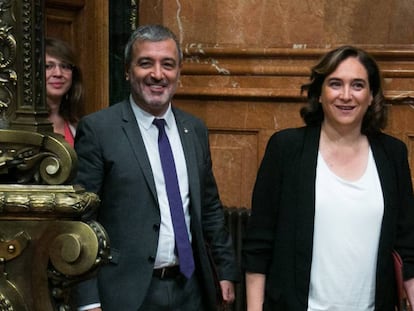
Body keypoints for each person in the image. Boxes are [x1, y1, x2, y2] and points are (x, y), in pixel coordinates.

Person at [72, 24, 239, 311]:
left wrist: (225, 271)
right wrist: (88, 300)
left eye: (168, 65)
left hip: (191, 290)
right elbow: (80, 219)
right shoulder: (100, 130)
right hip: (126, 293)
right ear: (127, 71)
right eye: (145, 63)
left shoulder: (194, 129)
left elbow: (209, 207)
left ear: (179, 73)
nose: (158, 75)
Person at [242, 45, 414, 311]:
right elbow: (258, 246)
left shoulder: (392, 155)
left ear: (371, 96)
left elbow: (407, 245)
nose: (346, 95)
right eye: (335, 84)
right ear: (320, 93)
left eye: (358, 85)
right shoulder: (286, 149)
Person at [45, 37, 83, 147]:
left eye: (65, 66)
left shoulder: (78, 124)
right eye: (48, 66)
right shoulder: (18, 123)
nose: (58, 73)